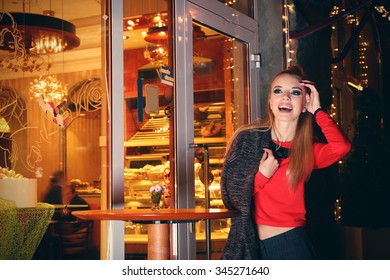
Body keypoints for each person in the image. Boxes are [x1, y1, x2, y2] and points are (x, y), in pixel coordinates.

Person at [220, 65, 351, 260]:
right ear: (271, 102)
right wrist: (262, 175)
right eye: (278, 91)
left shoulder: (307, 150)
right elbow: (231, 196)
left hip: (291, 246)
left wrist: (317, 110)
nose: (286, 97)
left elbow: (341, 147)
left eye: (295, 93)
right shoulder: (247, 139)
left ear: (304, 103)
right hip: (249, 245)